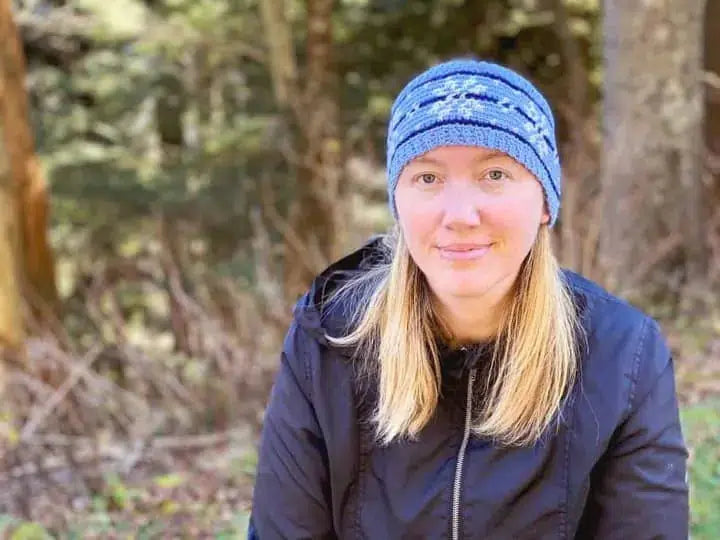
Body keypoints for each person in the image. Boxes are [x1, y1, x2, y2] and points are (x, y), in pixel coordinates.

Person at [248, 58, 689, 539]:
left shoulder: (623, 353)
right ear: (398, 201)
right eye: (428, 178)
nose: (460, 215)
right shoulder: (328, 341)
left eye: (494, 174)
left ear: (544, 201)